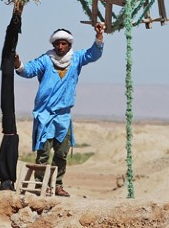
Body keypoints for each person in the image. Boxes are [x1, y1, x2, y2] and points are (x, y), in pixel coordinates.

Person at [14, 22, 105, 197]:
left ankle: (57, 184)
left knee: (61, 153)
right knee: (43, 153)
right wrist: (18, 63)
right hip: (45, 115)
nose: (60, 47)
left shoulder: (76, 58)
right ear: (53, 44)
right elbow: (28, 70)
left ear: (69, 45)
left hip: (63, 116)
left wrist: (99, 35)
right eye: (57, 43)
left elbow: (93, 54)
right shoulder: (45, 60)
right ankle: (42, 184)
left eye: (64, 43)